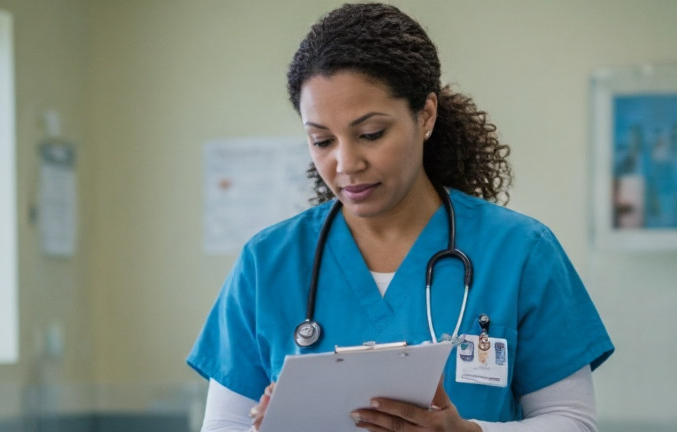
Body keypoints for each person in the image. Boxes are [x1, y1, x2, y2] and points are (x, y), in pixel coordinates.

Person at [187, 3, 614, 431]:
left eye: (370, 134)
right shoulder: (268, 263)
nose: (345, 162)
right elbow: (224, 424)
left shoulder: (520, 252)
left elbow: (572, 421)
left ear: (425, 115)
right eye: (321, 140)